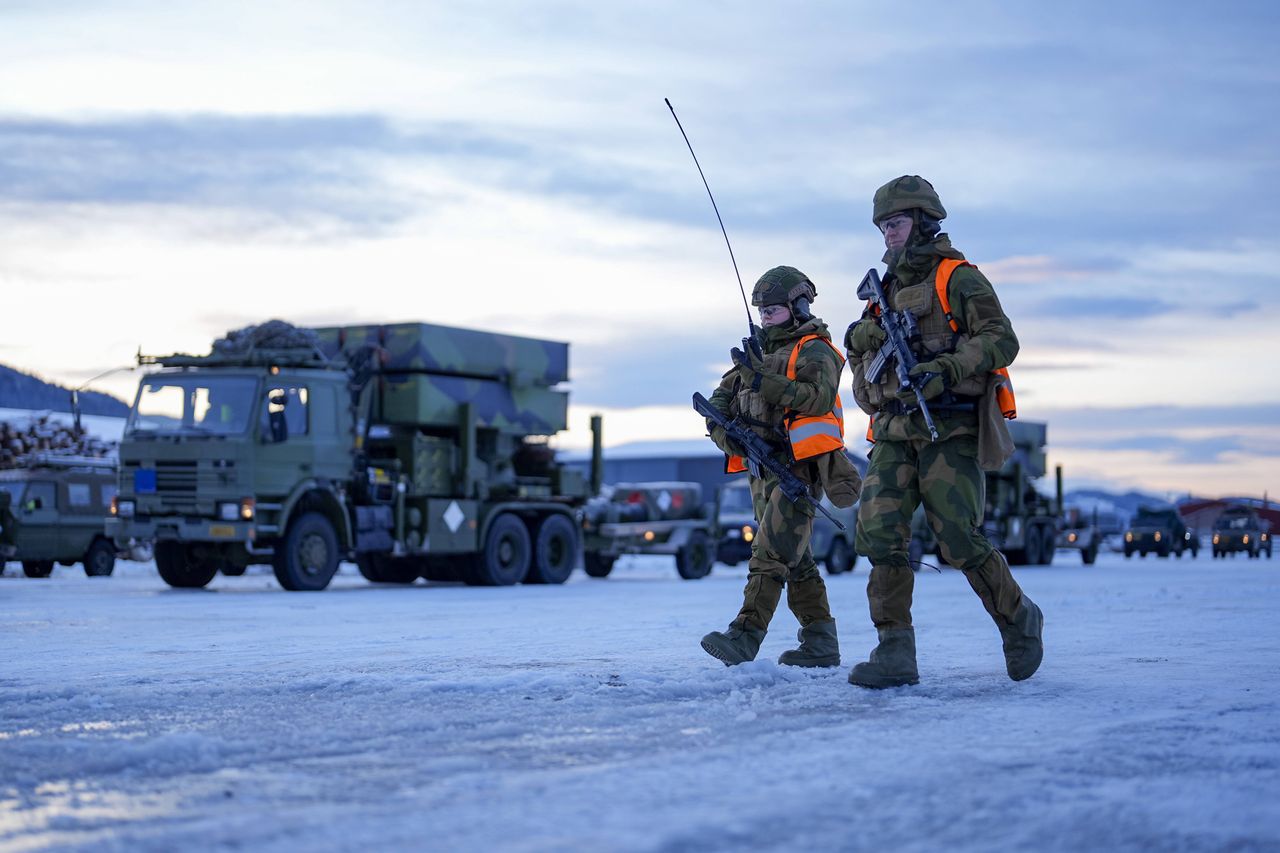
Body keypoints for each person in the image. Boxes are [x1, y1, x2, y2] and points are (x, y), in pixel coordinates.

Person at [844, 175, 1043, 688]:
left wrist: (950, 367)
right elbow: (862, 354)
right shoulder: (882, 291)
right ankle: (895, 652)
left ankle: (1019, 619)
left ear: (924, 221)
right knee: (878, 534)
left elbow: (1002, 339)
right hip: (892, 429)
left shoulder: (958, 278)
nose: (889, 233)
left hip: (949, 426)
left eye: (897, 222)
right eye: (884, 225)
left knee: (957, 536)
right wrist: (862, 337)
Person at [701, 266, 862, 667]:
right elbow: (719, 403)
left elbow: (817, 397)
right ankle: (821, 642)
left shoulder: (816, 350)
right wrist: (729, 436)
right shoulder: (756, 354)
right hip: (761, 470)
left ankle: (745, 636)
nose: (765, 317)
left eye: (773, 310)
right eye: (762, 311)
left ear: (799, 305)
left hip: (800, 470)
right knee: (797, 558)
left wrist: (761, 381)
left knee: (770, 553)